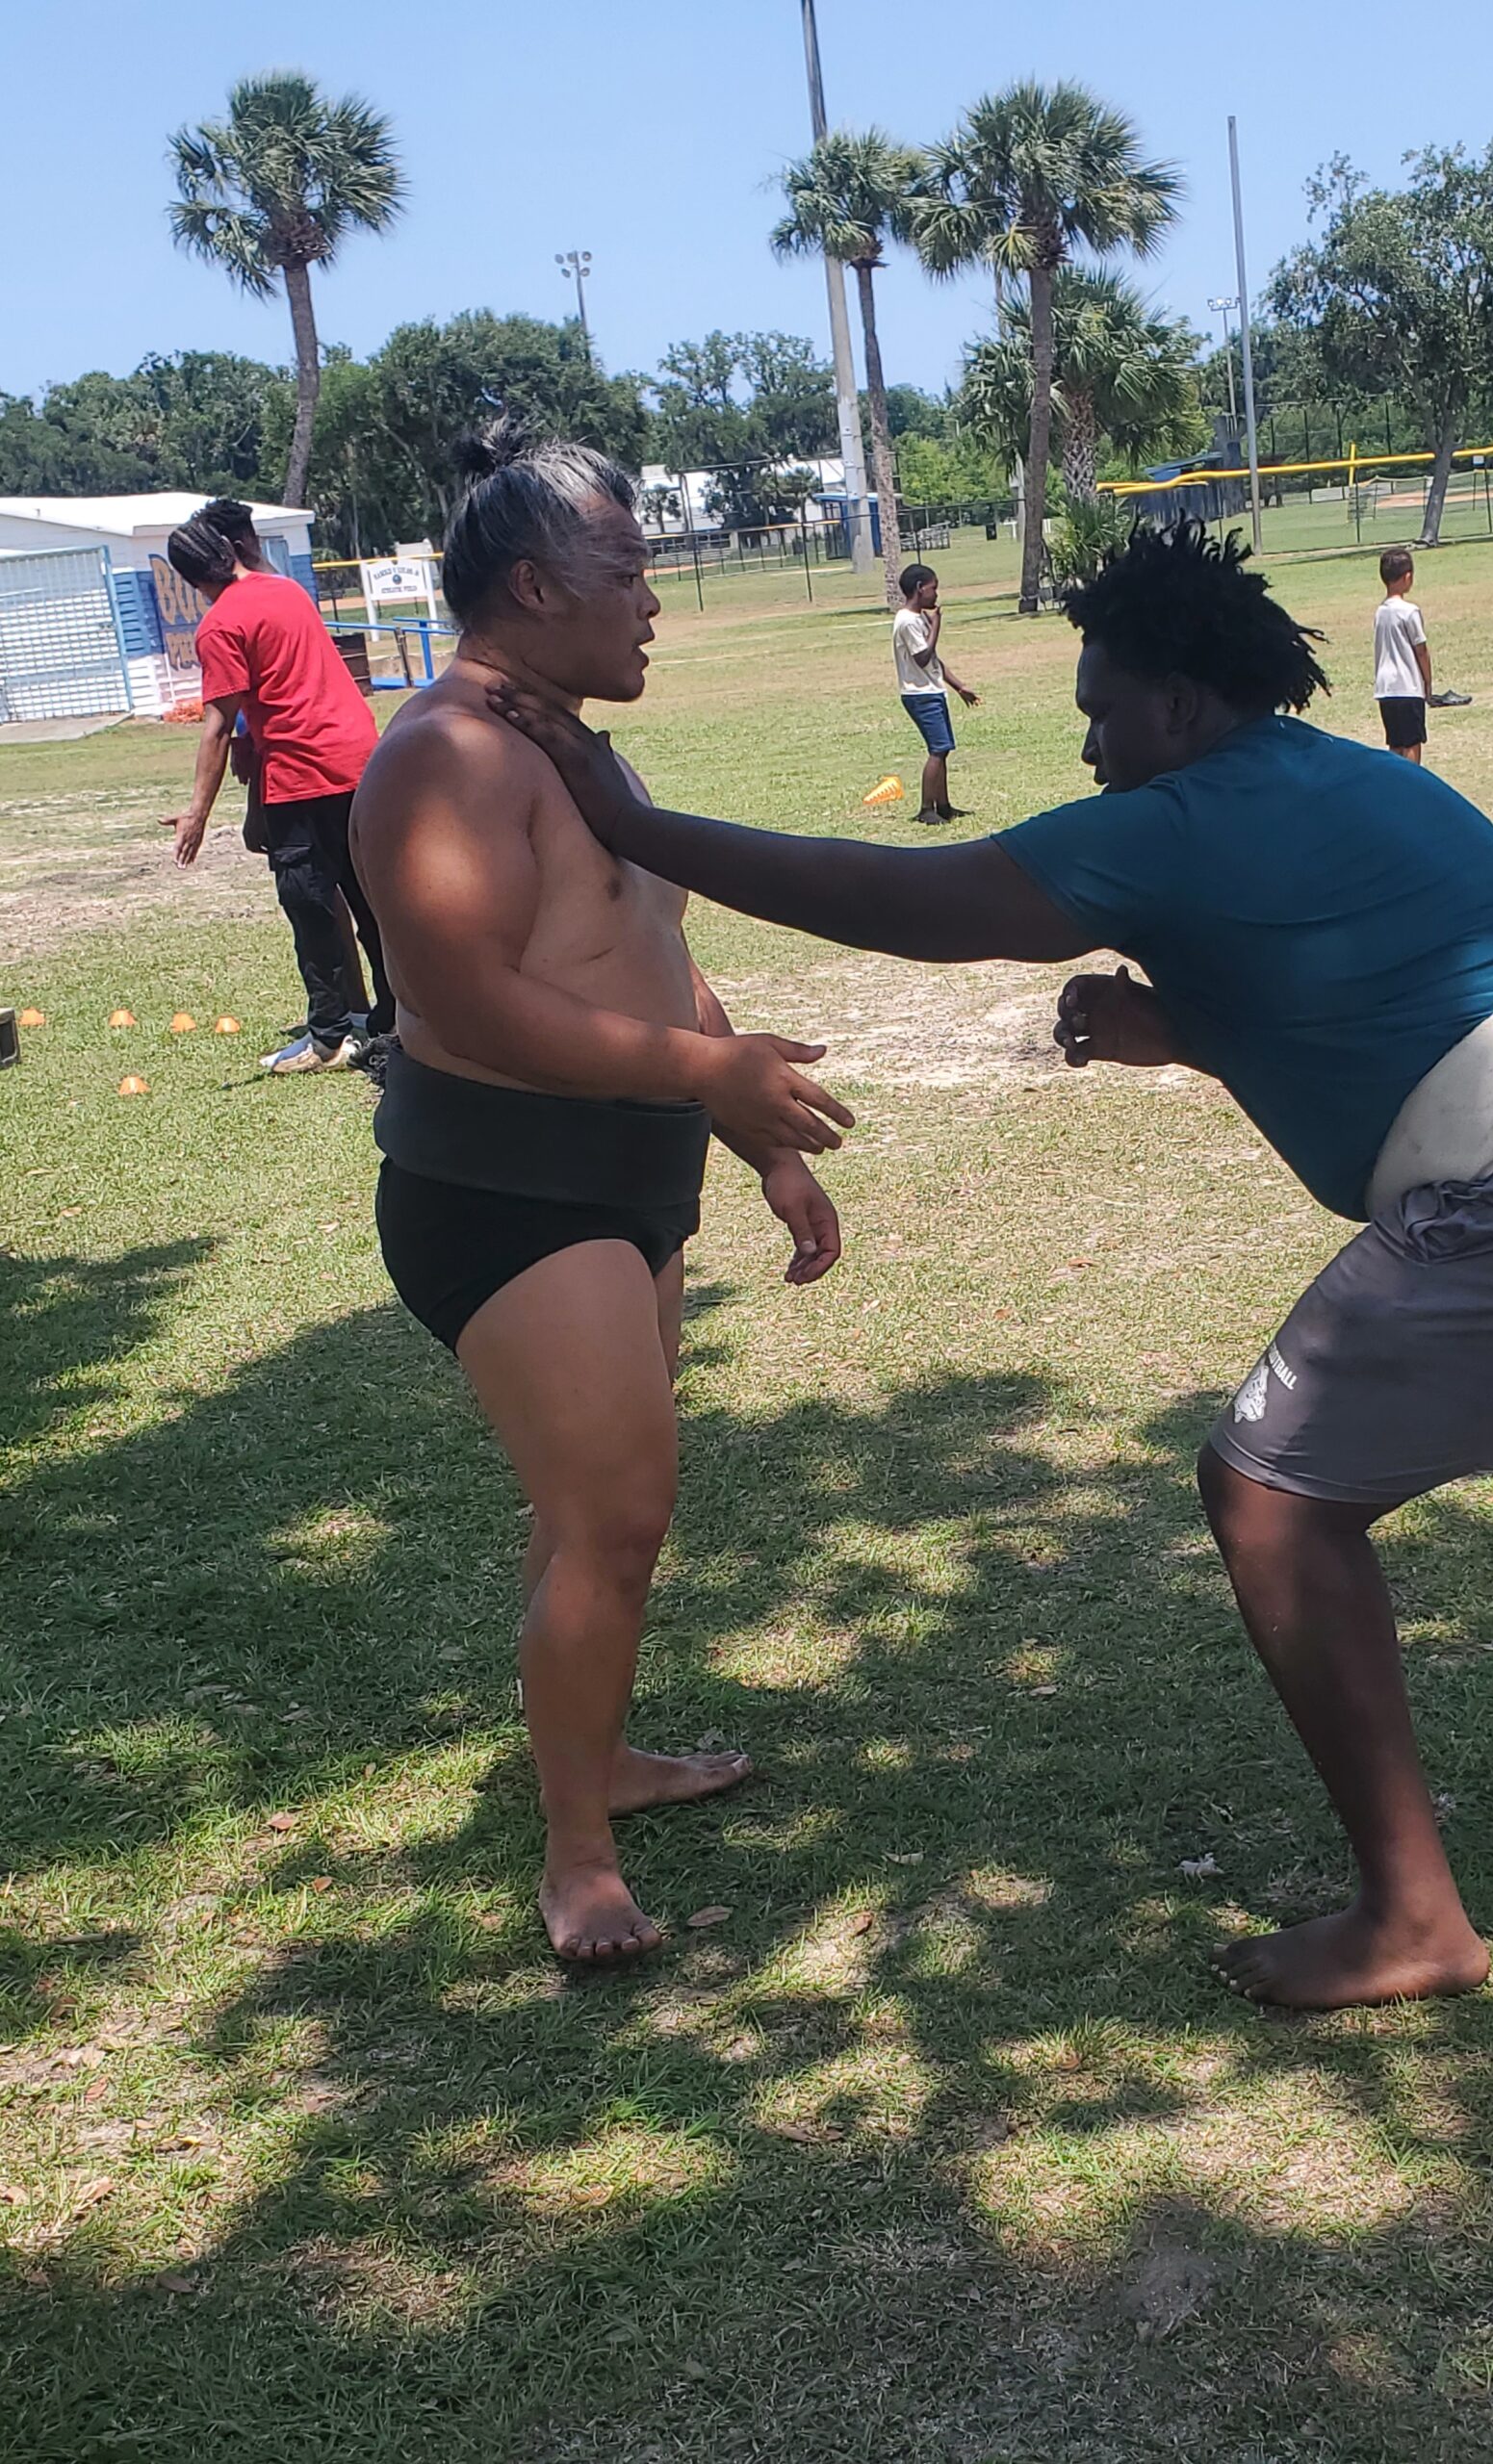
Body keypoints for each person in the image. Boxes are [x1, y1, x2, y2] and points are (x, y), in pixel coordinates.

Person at [488, 521, 1493, 2014]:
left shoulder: (1174, 816)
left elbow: (907, 904)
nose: (1085, 748)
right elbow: (1401, 988)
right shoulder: (1351, 774)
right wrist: (1183, 1029)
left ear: (1182, 710)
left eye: (1099, 711)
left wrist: (630, 814)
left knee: (1268, 1494)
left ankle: (1413, 1916)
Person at [349, 422, 851, 1966]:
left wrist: (752, 1133)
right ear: (528, 582)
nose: (652, 601)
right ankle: (577, 1854)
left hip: (626, 1178)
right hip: (506, 1190)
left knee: (591, 1518)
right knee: (617, 1517)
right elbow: (470, 1000)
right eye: (626, 572)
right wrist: (704, 1080)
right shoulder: (445, 756)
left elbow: (642, 942)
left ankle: (600, 1755)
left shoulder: (570, 740)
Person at [164, 512, 394, 1073]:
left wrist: (197, 812)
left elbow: (218, 727)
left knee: (309, 905)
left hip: (304, 773)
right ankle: (395, 1016)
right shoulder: (286, 592)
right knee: (371, 900)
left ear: (189, 578)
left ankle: (331, 1036)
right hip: (362, 758)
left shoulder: (219, 627)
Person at [892, 563, 980, 824]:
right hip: (919, 695)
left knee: (944, 749)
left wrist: (959, 686)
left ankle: (943, 805)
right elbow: (923, 657)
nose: (936, 595)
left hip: (932, 691)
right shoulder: (907, 621)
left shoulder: (917, 618)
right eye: (933, 589)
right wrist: (937, 625)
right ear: (920, 589)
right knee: (938, 749)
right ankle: (925, 809)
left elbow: (934, 662)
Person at [1373, 549, 1431, 763]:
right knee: (1412, 743)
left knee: (1395, 743)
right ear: (1407, 577)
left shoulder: (1381, 612)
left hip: (1386, 687)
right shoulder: (1409, 611)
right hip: (1408, 686)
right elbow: (1421, 650)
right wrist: (1427, 682)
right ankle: (1412, 785)